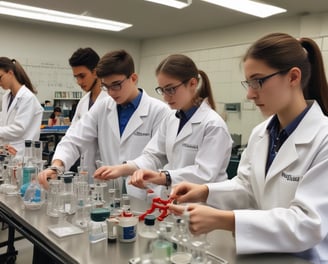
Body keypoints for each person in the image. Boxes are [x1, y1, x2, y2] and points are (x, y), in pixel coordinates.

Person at [168, 33, 328, 263]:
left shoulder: (323, 138)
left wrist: (227, 220)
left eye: (258, 81)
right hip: (262, 255)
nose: (250, 94)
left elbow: (307, 224)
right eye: (249, 83)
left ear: (293, 77)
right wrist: (205, 191)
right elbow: (246, 186)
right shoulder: (262, 132)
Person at [94, 54, 232, 198]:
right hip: (173, 201)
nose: (165, 97)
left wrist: (162, 177)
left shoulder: (214, 125)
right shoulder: (171, 118)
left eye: (171, 89)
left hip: (203, 205)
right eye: (162, 90)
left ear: (192, 83)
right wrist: (123, 169)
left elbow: (204, 174)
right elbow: (154, 155)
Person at [38, 50, 170, 192]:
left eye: (116, 85)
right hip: (109, 193)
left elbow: (157, 157)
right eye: (106, 86)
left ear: (133, 78)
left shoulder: (160, 111)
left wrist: (124, 169)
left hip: (144, 193)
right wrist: (57, 166)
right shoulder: (103, 107)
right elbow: (74, 138)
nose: (111, 92)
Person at [67, 47, 108, 178]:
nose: (79, 82)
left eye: (82, 76)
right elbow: (73, 135)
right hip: (86, 173)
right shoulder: (83, 102)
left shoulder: (111, 101)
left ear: (95, 72)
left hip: (106, 172)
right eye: (76, 77)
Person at [0, 57, 43, 157]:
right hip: (8, 153)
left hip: (23, 155)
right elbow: (3, 122)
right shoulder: (6, 97)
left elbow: (19, 129)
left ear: (10, 73)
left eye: (0, 77)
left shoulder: (27, 98)